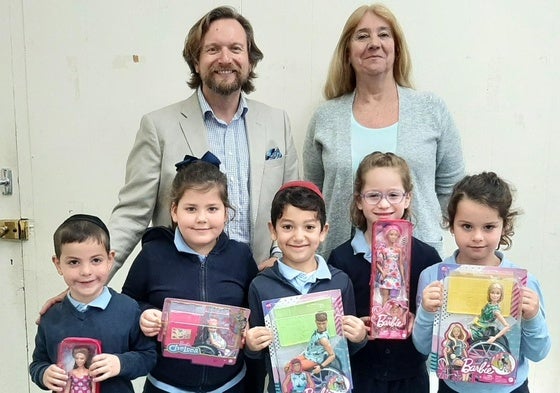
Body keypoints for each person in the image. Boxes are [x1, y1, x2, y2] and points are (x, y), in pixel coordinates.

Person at [107, 5, 298, 277]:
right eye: (212, 50)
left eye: (235, 48)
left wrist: (281, 257)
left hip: (263, 281)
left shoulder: (277, 122)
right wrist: (92, 276)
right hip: (189, 287)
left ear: (250, 60)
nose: (225, 58)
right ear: (196, 61)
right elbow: (131, 214)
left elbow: (293, 206)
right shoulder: (158, 127)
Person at [303, 3, 464, 259]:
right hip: (341, 267)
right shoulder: (326, 117)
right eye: (362, 35)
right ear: (347, 51)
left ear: (397, 48)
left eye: (384, 34)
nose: (374, 43)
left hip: (418, 265)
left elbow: (452, 191)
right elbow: (313, 197)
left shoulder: (430, 110)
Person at [121, 152, 259, 393]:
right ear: (174, 211)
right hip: (166, 386)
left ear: (226, 213)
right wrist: (144, 315)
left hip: (230, 386)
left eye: (212, 208)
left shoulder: (241, 256)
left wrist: (251, 329)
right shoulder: (152, 256)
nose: (202, 219)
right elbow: (128, 304)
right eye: (191, 208)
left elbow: (254, 307)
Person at [412, 172, 551, 393]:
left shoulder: (524, 284)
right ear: (451, 224)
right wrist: (427, 312)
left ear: (504, 226)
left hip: (511, 387)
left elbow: (539, 353)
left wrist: (533, 317)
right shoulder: (433, 277)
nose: (477, 237)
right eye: (467, 226)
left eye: (488, 227)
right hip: (454, 387)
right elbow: (422, 347)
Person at [328, 152, 441, 392]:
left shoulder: (427, 257)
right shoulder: (341, 258)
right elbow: (333, 324)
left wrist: (420, 320)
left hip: (410, 375)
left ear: (407, 198)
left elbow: (439, 324)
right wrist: (354, 328)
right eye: (373, 195)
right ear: (359, 200)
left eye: (393, 195)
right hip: (360, 375)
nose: (383, 204)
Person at [244, 181, 368, 393]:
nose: (298, 236)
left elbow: (345, 347)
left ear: (323, 231)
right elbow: (258, 354)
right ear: (273, 230)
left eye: (309, 227)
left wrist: (359, 338)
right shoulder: (260, 286)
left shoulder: (340, 282)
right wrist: (251, 346)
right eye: (287, 227)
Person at [29, 214, 157, 393]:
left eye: (96, 260)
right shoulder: (51, 317)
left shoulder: (128, 309)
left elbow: (148, 357)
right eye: (74, 262)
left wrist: (120, 363)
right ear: (58, 264)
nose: (86, 271)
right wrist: (44, 374)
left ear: (110, 259)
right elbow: (37, 363)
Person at [375, 224, 405, 305]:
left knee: (394, 297)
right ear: (387, 235)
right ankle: (383, 314)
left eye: (396, 235)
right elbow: (377, 263)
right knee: (385, 296)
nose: (393, 237)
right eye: (391, 234)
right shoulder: (383, 249)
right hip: (386, 273)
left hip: (395, 275)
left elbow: (401, 264)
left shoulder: (399, 250)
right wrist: (382, 272)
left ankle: (392, 314)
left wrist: (403, 277)